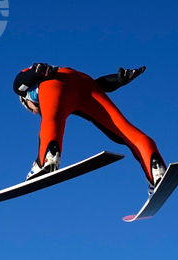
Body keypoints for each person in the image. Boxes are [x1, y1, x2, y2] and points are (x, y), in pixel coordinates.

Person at [13, 63, 167, 197]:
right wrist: (118, 80)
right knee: (123, 131)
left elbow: (18, 83)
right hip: (84, 82)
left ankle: (47, 161)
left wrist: (36, 71)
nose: (34, 111)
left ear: (26, 101)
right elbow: (96, 85)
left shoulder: (28, 91)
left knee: (52, 119)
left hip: (54, 82)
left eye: (30, 108)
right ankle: (156, 170)